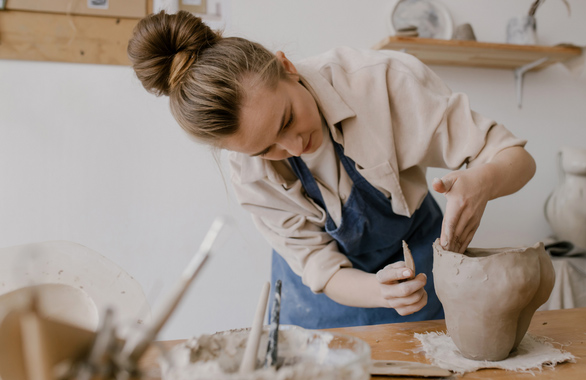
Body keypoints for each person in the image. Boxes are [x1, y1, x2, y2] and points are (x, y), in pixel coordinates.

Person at [127, 11, 536, 329]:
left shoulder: (383, 83)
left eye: (286, 120)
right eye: (266, 148)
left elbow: (517, 158)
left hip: (418, 259)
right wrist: (378, 291)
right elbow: (322, 269)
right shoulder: (248, 171)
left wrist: (483, 181)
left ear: (285, 66)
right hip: (324, 301)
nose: (292, 147)